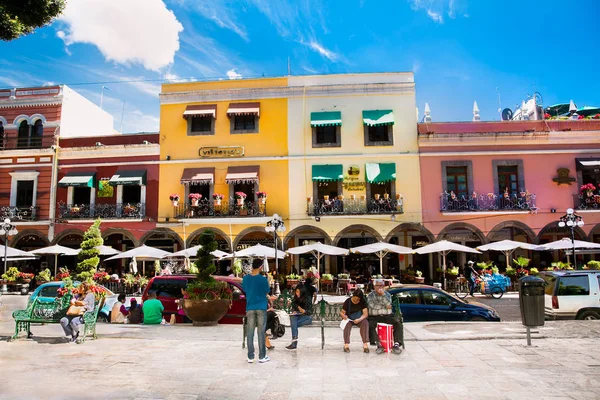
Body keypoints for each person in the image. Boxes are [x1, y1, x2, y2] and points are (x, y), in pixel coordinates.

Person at [243, 258, 274, 363]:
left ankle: (250, 356)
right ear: (261, 267)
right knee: (261, 332)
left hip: (250, 307)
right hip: (261, 307)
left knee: (250, 333)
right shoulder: (263, 279)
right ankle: (262, 356)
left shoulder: (246, 278)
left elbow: (246, 290)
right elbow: (266, 292)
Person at [367, 279, 403, 354]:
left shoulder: (387, 294)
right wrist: (384, 306)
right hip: (374, 316)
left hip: (387, 316)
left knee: (398, 323)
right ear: (374, 286)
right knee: (370, 326)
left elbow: (388, 303)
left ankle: (396, 344)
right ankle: (379, 345)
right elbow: (372, 306)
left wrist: (382, 295)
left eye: (381, 285)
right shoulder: (370, 295)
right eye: (377, 285)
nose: (379, 287)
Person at [340, 289, 369, 353]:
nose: (356, 301)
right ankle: (346, 345)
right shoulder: (348, 301)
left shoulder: (363, 301)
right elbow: (342, 313)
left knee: (365, 323)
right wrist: (344, 316)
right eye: (355, 299)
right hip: (350, 319)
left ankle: (365, 345)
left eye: (358, 300)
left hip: (359, 318)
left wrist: (359, 319)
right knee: (346, 325)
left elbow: (365, 314)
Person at [286, 285, 313, 350]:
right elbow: (294, 305)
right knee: (293, 318)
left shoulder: (308, 298)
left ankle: (294, 343)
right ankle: (294, 343)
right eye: (296, 292)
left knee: (293, 324)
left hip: (306, 317)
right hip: (297, 316)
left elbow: (310, 312)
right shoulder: (296, 298)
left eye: (298, 292)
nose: (297, 293)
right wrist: (297, 308)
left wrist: (304, 311)